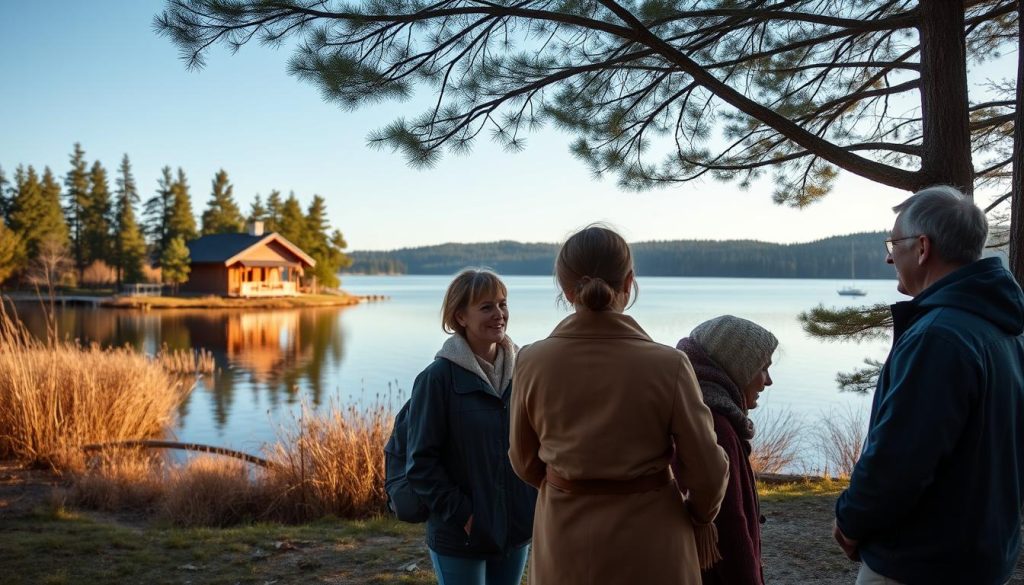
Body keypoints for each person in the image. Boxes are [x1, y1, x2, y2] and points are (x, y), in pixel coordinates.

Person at [509, 225, 730, 585]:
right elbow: (707, 470)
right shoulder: (668, 365)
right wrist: (700, 515)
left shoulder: (531, 361)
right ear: (629, 282)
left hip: (564, 540)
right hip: (654, 545)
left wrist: (569, 482)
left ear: (566, 290)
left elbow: (523, 460)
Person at [833, 186, 1024, 585]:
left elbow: (898, 460)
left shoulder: (939, 337)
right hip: (982, 558)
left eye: (894, 243)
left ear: (922, 248)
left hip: (919, 562)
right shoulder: (1003, 328)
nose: (889, 256)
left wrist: (850, 520)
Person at [405, 268, 536, 585]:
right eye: (487, 307)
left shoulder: (525, 372)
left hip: (515, 530)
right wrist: (464, 516)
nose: (499, 314)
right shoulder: (437, 379)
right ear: (460, 317)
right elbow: (421, 464)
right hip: (460, 533)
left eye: (502, 304)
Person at [676, 315, 778, 585]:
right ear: (739, 367)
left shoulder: (693, 408)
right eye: (762, 368)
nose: (768, 382)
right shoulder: (717, 425)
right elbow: (731, 526)